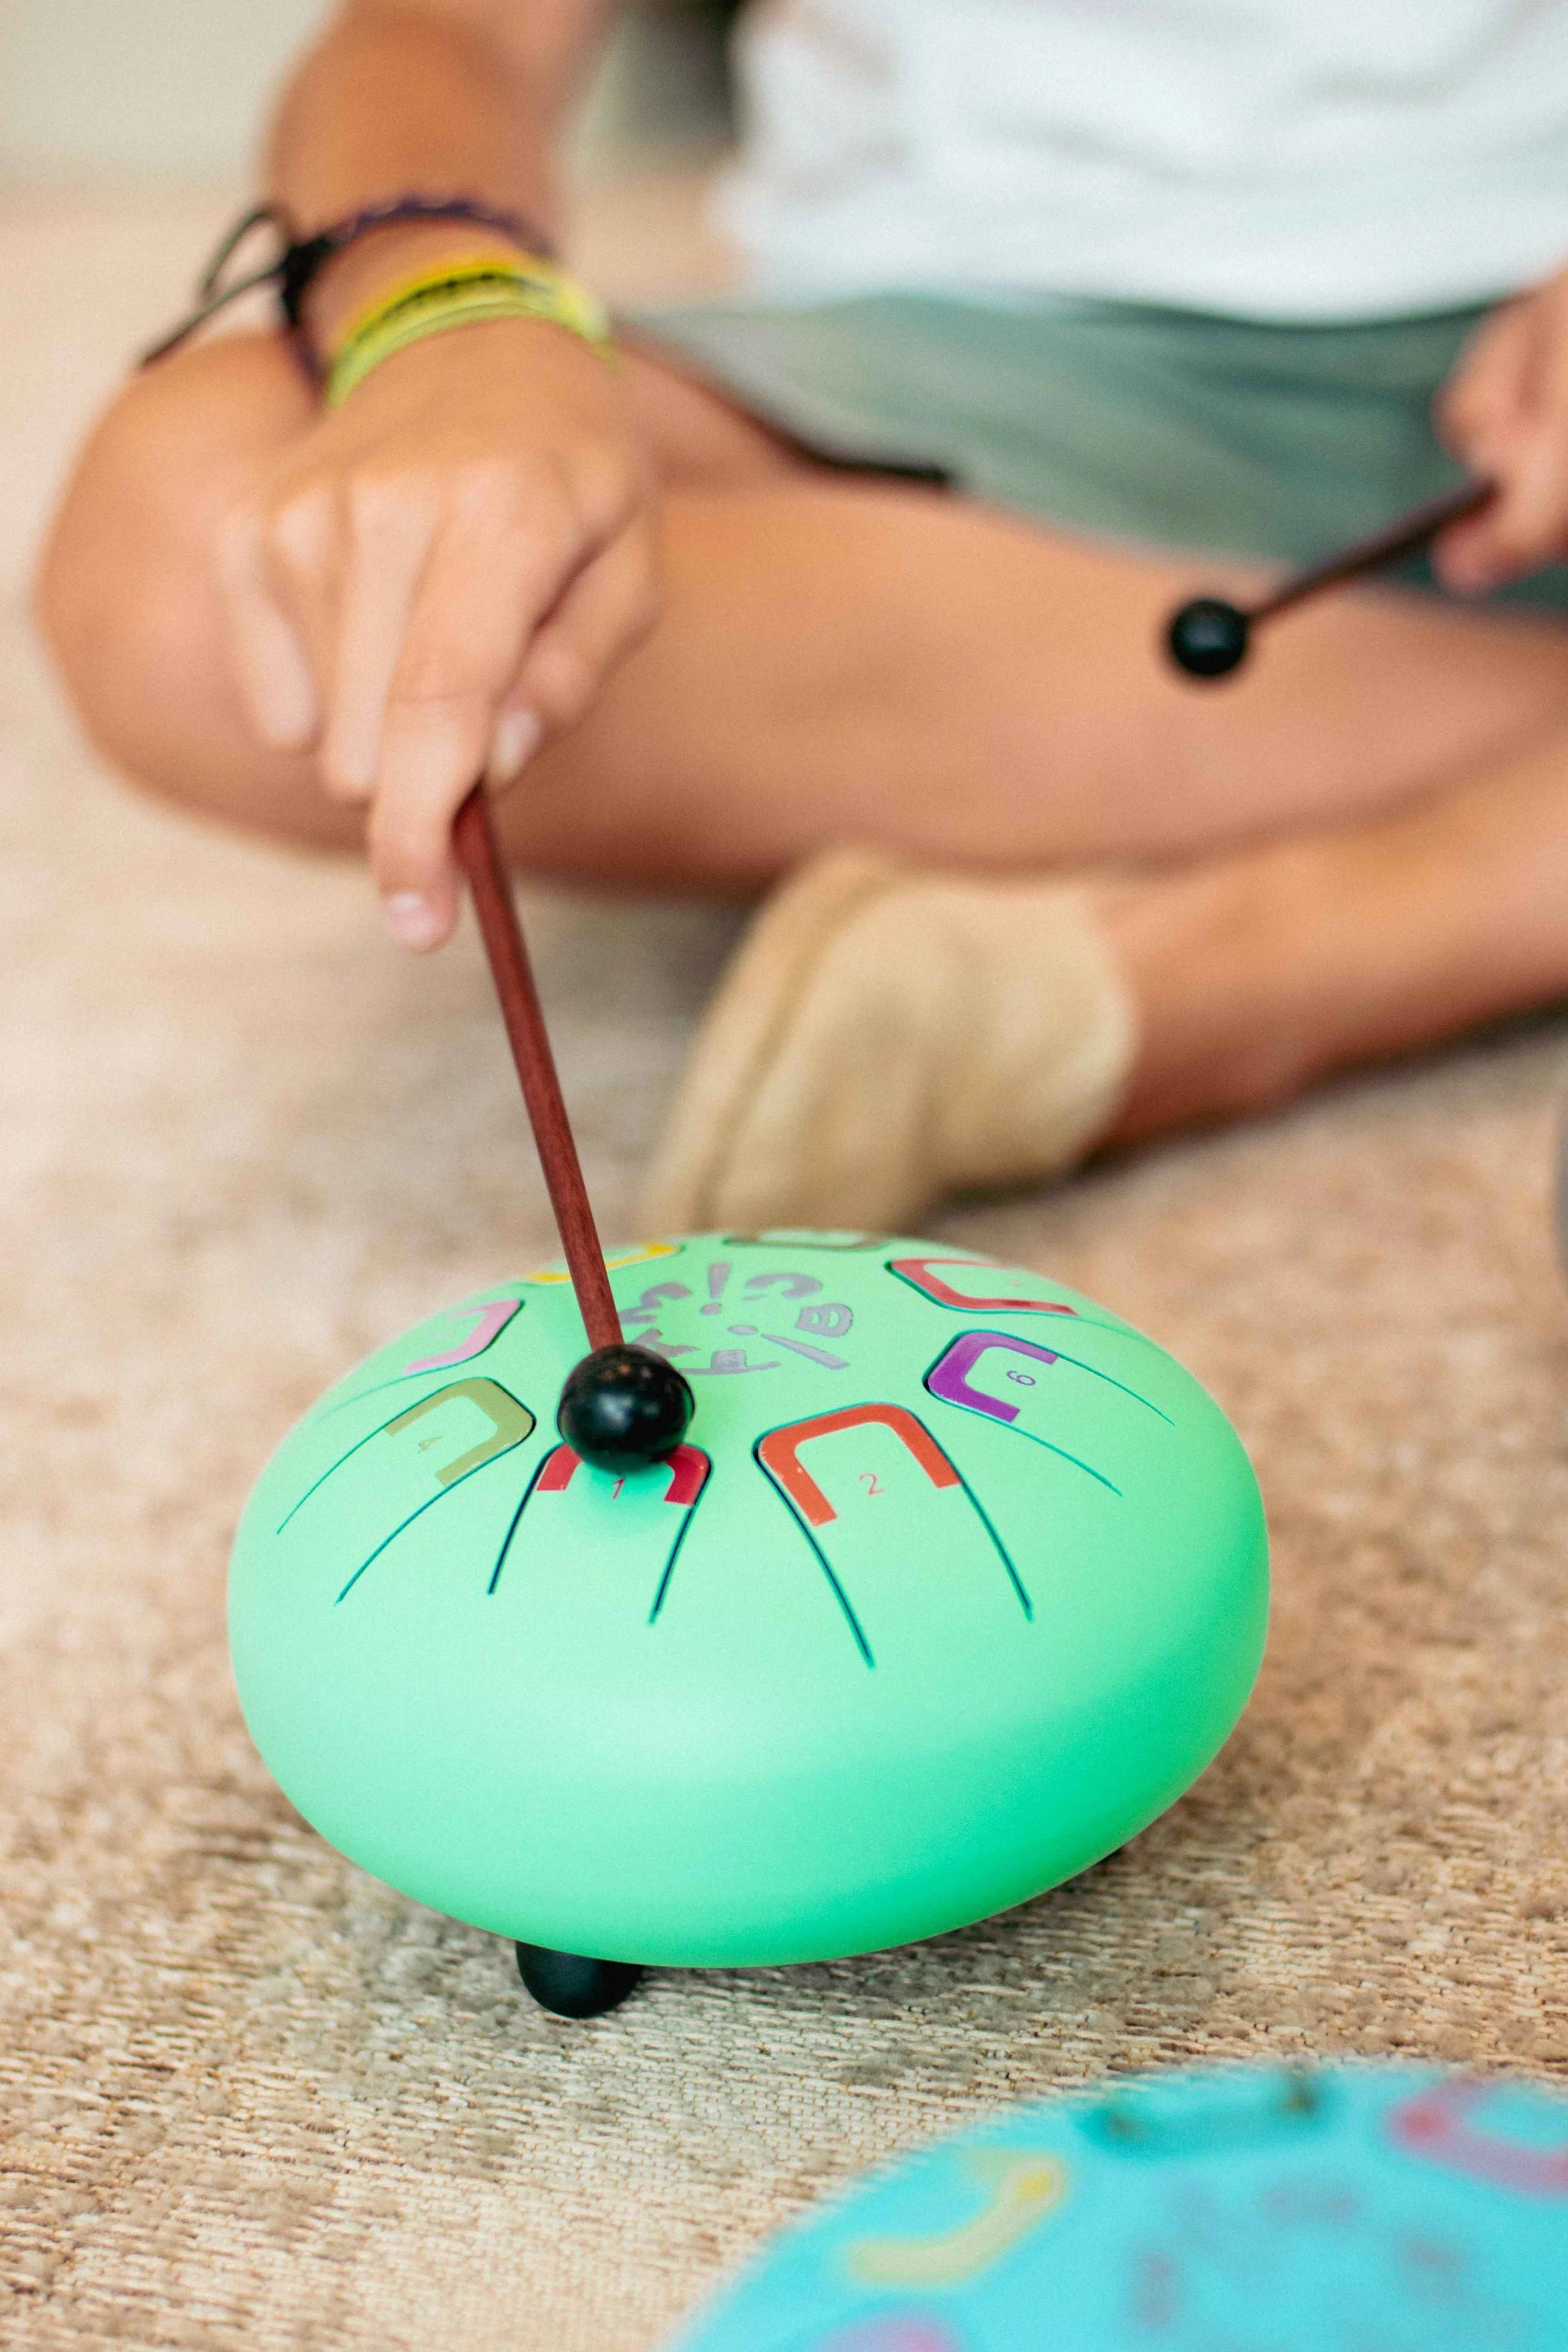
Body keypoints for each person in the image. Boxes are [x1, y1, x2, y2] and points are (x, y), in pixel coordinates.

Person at [35, 0, 1568, 1231]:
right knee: (194, 554)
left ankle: (1242, 970)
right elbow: (447, 29)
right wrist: (449, 314)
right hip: (964, 334)